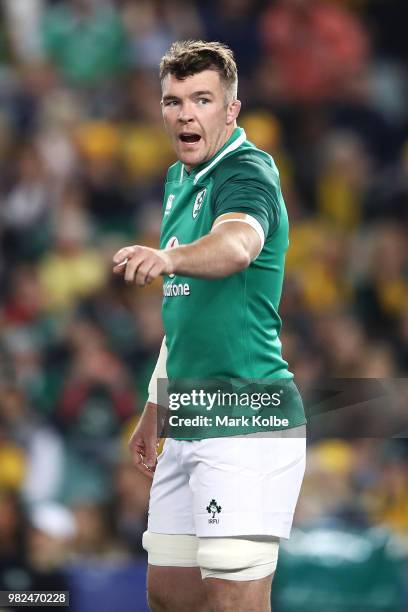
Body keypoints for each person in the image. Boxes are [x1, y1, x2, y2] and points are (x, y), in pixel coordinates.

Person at [113, 40, 306, 612]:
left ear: (231, 110)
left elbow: (239, 244)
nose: (185, 113)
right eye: (174, 101)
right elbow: (186, 319)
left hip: (248, 420)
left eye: (202, 99)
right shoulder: (179, 178)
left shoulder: (247, 173)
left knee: (232, 601)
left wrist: (170, 258)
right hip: (191, 415)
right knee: (170, 595)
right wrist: (155, 410)